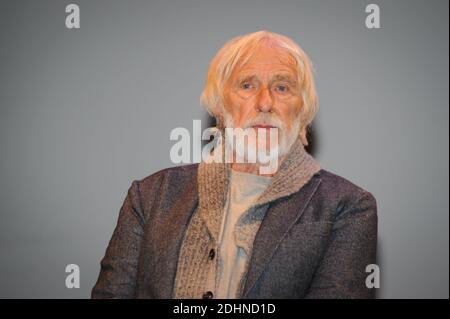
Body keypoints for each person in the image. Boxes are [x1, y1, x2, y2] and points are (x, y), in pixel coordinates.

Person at [91, 30, 378, 299]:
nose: (265, 103)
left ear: (302, 111)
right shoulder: (151, 195)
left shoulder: (347, 206)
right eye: (247, 85)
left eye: (282, 87)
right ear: (220, 106)